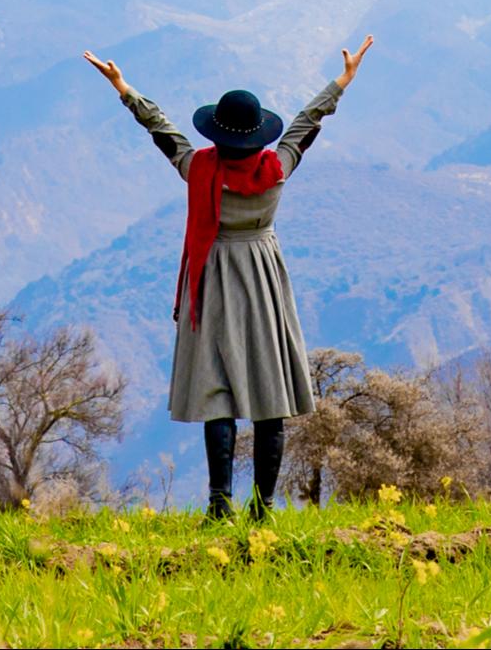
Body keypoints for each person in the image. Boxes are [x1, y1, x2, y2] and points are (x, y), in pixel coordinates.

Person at [82, 36, 375, 519]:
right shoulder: (277, 168)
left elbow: (164, 133)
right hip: (263, 275)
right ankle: (262, 508)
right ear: (258, 135)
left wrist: (123, 87)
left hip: (213, 274)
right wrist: (342, 81)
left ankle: (219, 505)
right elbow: (307, 123)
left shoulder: (200, 169)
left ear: (218, 135)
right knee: (270, 387)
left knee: (217, 388)